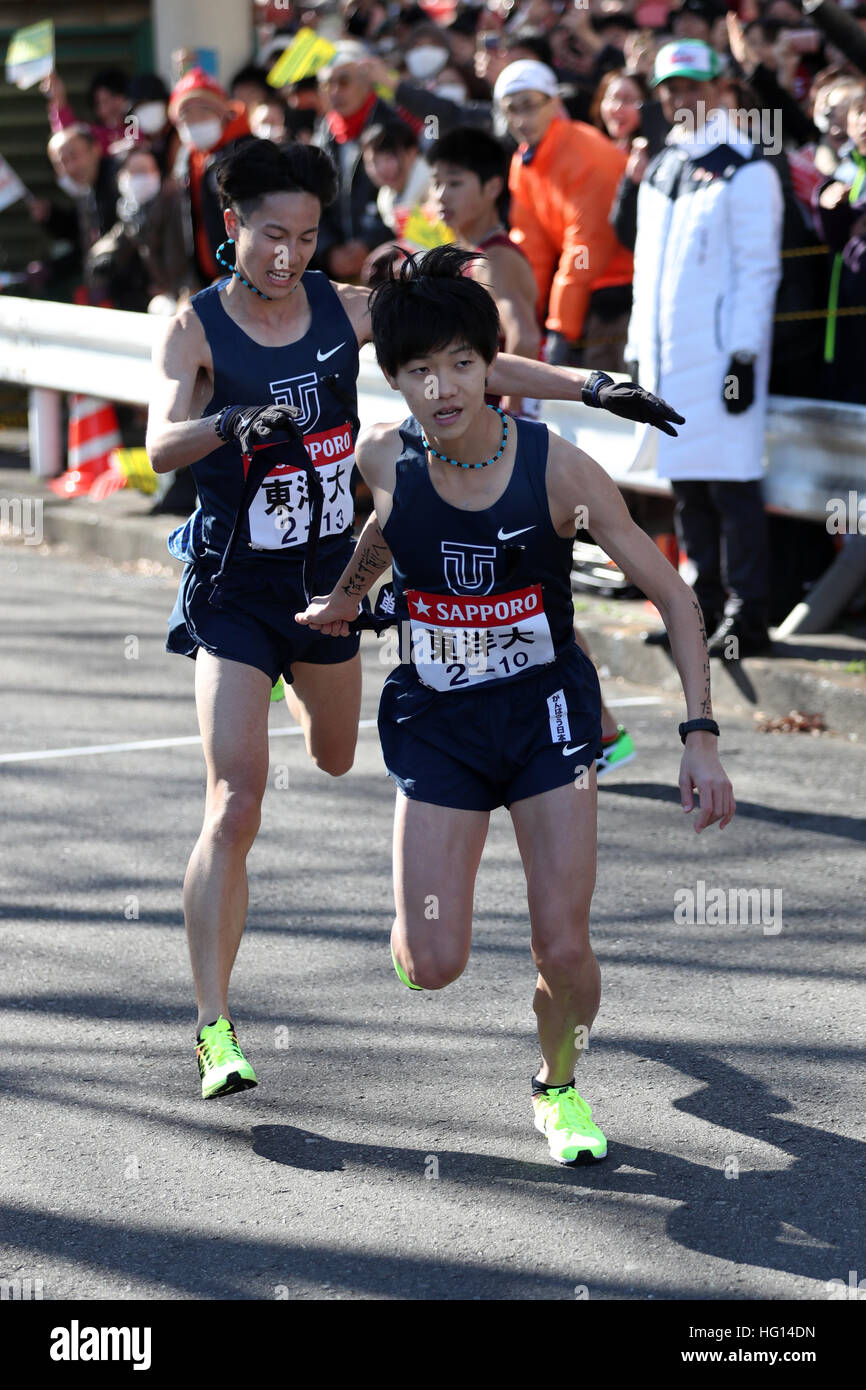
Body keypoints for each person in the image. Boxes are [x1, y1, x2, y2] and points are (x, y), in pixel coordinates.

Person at [145, 138, 684, 1101]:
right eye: (273, 235)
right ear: (233, 226)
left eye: (309, 236)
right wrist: (229, 424)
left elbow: (458, 358)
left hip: (333, 584)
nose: (290, 255)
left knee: (338, 756)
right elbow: (156, 446)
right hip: (236, 592)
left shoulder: (342, 309)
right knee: (236, 798)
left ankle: (409, 909)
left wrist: (592, 386)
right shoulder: (194, 332)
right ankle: (213, 1027)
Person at [295, 247, 732, 1166]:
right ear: (396, 379)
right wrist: (346, 597)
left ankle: (559, 1083)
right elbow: (385, 523)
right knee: (432, 964)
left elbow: (677, 598)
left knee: (563, 946)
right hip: (438, 723)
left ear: (490, 365)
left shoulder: (559, 471)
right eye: (418, 369)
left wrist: (699, 734)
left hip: (546, 720)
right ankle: (424, 935)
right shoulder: (385, 451)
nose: (443, 387)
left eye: (461, 362)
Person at [629, 40, 784, 658]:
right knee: (689, 485)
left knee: (733, 485)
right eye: (670, 88)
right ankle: (702, 605)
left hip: (722, 357)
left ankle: (750, 614)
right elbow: (647, 270)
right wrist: (640, 349)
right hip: (668, 358)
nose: (680, 99)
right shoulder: (662, 166)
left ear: (720, 89)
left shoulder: (747, 166)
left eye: (693, 87)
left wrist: (743, 355)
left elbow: (758, 271)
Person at [494, 59, 635, 373]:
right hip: (580, 294)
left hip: (617, 294)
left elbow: (584, 248)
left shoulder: (584, 151)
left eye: (529, 106)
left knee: (605, 402)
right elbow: (531, 247)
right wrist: (523, 313)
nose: (520, 119)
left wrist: (559, 327)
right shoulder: (525, 160)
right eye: (510, 109)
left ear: (554, 103)